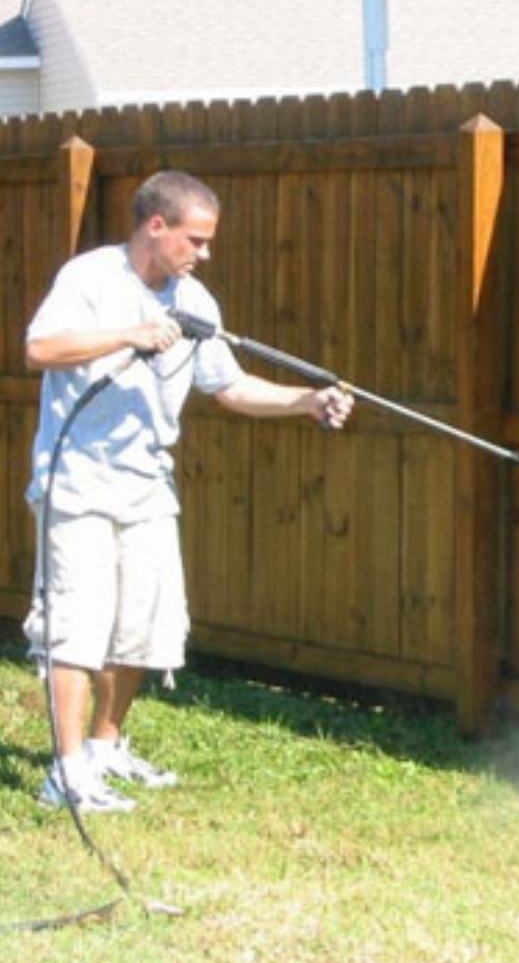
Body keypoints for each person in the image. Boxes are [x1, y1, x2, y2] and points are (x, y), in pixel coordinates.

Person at [22, 169, 354, 813]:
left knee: (144, 622)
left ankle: (104, 749)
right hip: (77, 483)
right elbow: (40, 347)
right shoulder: (91, 278)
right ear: (157, 226)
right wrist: (130, 334)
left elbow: (228, 386)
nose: (205, 253)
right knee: (76, 627)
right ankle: (65, 773)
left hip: (148, 485)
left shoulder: (196, 301)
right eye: (195, 240)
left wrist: (306, 401)